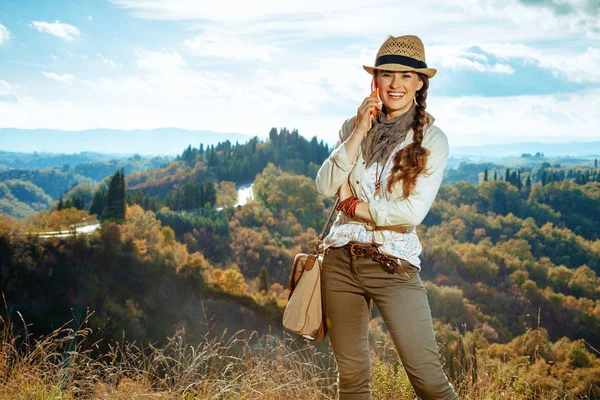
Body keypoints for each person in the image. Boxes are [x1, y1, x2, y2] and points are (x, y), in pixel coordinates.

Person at [315, 35, 458, 400]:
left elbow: (410, 212)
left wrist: (352, 207)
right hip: (340, 261)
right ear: (374, 80)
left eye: (406, 76)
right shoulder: (353, 127)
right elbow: (324, 184)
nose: (396, 84)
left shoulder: (433, 140)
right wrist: (360, 131)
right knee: (351, 379)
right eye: (387, 74)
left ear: (420, 82)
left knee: (428, 379)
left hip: (393, 264)